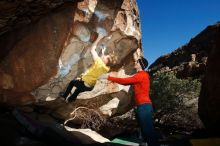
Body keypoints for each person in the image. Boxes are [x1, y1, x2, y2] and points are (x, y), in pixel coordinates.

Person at [106, 57, 159, 146]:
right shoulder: (140, 75)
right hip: (143, 106)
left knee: (147, 129)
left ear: (140, 65)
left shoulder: (142, 75)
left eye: (137, 62)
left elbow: (125, 81)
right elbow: (127, 81)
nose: (135, 62)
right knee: (144, 129)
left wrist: (109, 78)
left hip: (144, 106)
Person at [59, 33, 115, 102]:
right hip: (90, 87)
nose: (104, 56)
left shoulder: (99, 63)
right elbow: (101, 63)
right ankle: (71, 99)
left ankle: (64, 96)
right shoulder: (106, 69)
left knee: (72, 83)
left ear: (106, 61)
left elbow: (92, 50)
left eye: (106, 56)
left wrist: (99, 37)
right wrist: (102, 53)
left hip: (85, 84)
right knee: (78, 90)